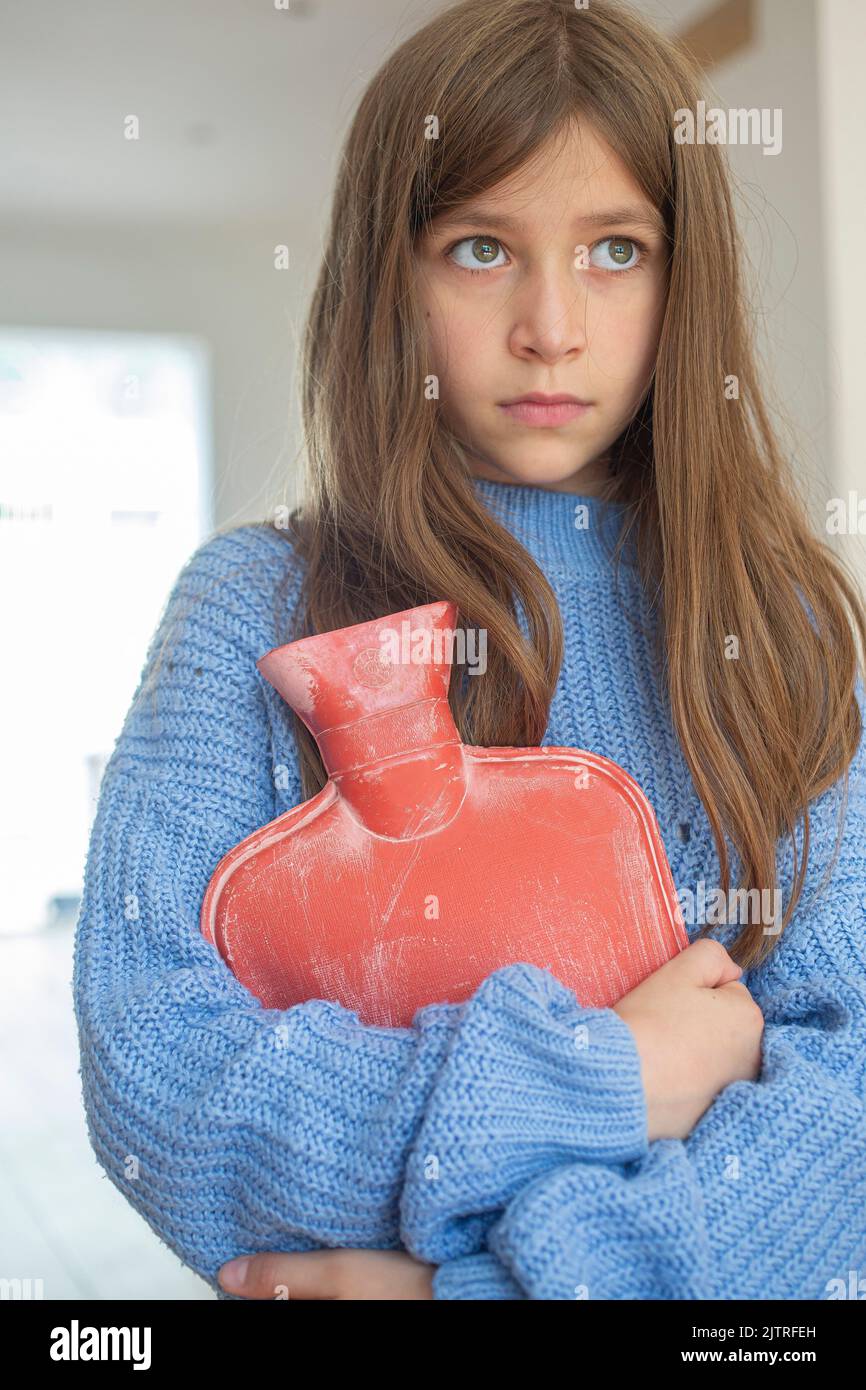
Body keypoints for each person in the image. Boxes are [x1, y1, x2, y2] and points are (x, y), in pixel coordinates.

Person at [73, 0, 866, 1301]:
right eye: (481, 246)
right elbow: (158, 1065)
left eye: (615, 248)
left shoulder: (778, 629)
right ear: (391, 273)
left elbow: (840, 1115)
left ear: (687, 279)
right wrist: (605, 1073)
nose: (549, 324)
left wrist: (475, 1294)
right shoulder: (252, 603)